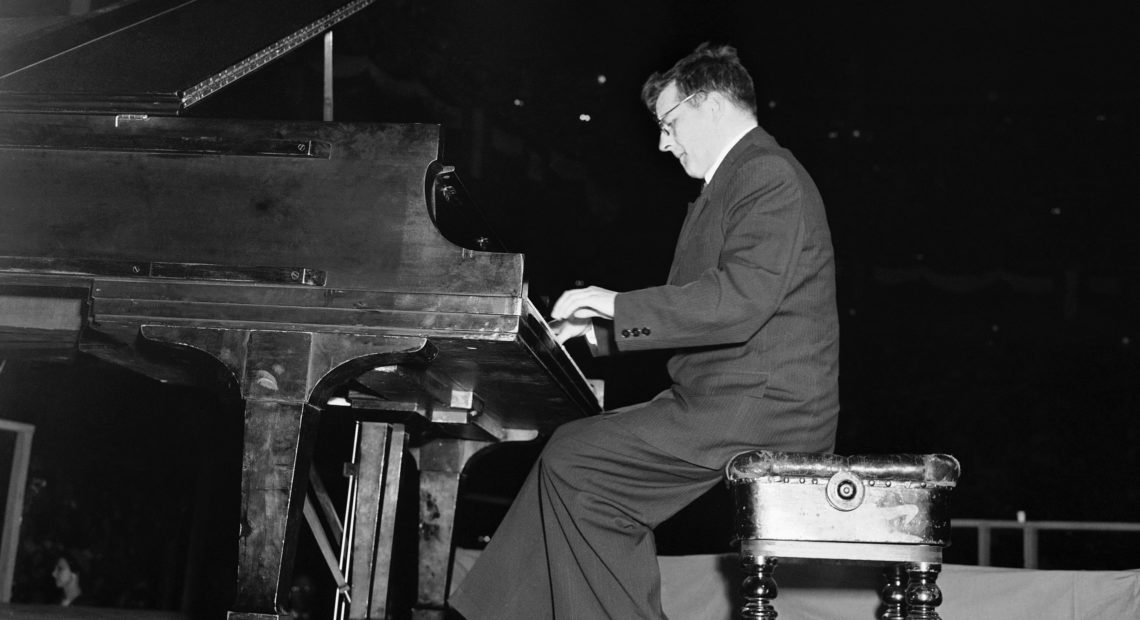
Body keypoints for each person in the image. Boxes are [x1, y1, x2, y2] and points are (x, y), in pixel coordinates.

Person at [449, 42, 839, 619]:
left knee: (579, 461)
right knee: (577, 460)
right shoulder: (738, 179)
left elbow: (739, 301)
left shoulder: (764, 174)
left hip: (762, 404)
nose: (662, 141)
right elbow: (706, 311)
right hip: (727, 395)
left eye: (667, 122)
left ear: (708, 104)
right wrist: (595, 333)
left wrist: (614, 302)